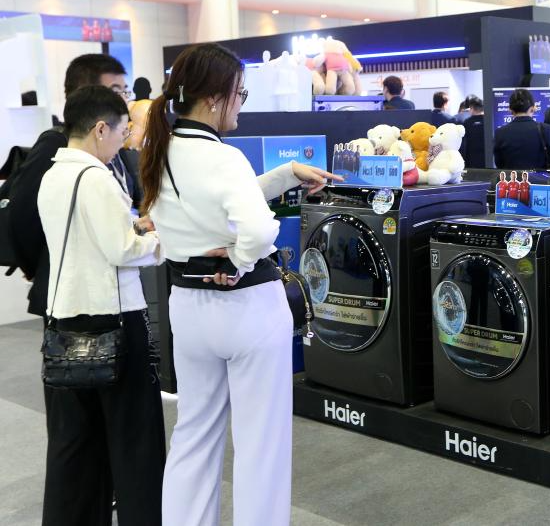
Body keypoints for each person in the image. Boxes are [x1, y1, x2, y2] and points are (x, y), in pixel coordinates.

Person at [139, 44, 338, 526]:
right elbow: (259, 230)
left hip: (189, 308)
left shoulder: (160, 150)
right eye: (240, 94)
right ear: (214, 98)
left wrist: (285, 175)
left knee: (193, 434)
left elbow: (212, 201)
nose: (241, 105)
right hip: (248, 308)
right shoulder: (222, 157)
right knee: (260, 444)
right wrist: (239, 260)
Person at [38, 86, 164, 526]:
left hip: (64, 323)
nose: (123, 141)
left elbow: (89, 239)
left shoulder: (53, 175)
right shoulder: (96, 178)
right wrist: (157, 239)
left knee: (75, 448)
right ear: (99, 129)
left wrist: (132, 227)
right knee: (136, 443)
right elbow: (122, 250)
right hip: (115, 322)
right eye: (122, 131)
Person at [8, 53, 139, 318]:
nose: (124, 99)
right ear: (85, 94)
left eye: (125, 91)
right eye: (115, 91)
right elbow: (21, 213)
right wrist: (40, 266)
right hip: (73, 294)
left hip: (112, 286)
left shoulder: (114, 142)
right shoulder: (56, 144)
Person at [493, 88, 550, 170]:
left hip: (512, 177)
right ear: (533, 108)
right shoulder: (545, 129)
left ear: (510, 109)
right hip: (539, 177)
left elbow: (499, 163)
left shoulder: (500, 133)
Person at [461, 97, 486, 168]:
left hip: (471, 160)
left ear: (471, 108)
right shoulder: (488, 121)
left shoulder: (467, 122)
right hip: (487, 159)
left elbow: (464, 144)